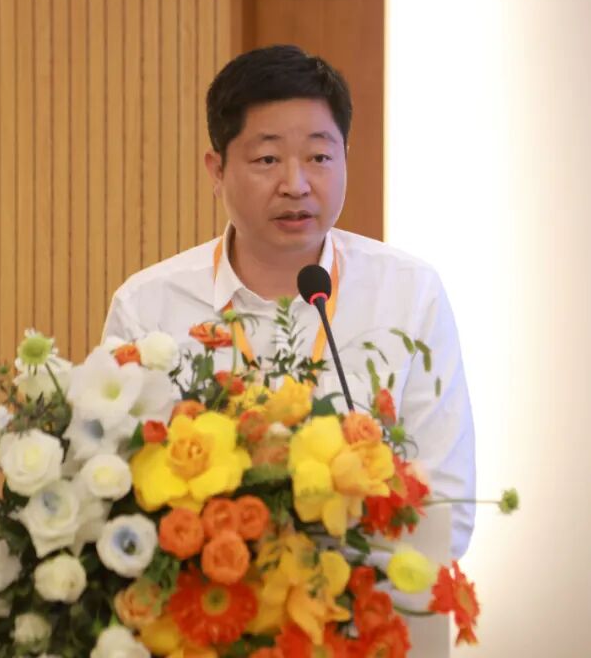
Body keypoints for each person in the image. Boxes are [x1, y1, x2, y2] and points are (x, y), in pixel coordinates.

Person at [102, 45, 476, 558]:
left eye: (319, 158)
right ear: (217, 170)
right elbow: (113, 492)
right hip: (204, 593)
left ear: (345, 158)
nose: (296, 185)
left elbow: (448, 508)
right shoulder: (148, 307)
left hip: (364, 599)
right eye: (267, 160)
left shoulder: (409, 294)